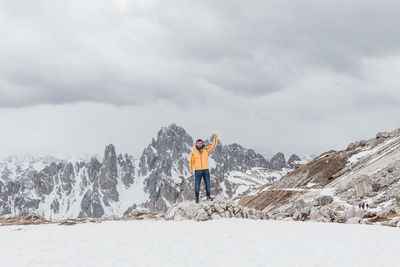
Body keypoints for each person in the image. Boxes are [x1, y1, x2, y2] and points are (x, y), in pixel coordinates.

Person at [189, 134, 218, 203]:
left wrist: (215, 138)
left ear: (202, 144)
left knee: (207, 183)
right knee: (197, 185)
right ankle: (197, 198)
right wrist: (191, 169)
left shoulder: (206, 150)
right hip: (198, 170)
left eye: (200, 143)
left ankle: (208, 196)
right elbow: (191, 161)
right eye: (198, 143)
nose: (199, 144)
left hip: (206, 170)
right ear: (196, 144)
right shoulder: (194, 152)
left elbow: (213, 145)